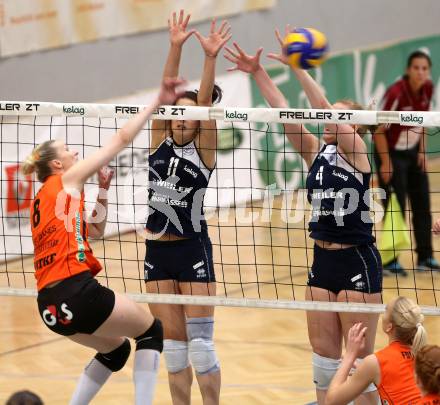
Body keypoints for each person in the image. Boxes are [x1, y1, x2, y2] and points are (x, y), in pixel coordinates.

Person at [225, 26, 382, 404]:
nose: (329, 122)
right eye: (332, 117)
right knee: (324, 361)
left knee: (359, 363)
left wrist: (298, 67)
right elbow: (286, 115)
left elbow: (323, 111)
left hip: (357, 260)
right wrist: (258, 72)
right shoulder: (318, 153)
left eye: (340, 118)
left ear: (355, 127)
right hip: (321, 261)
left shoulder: (358, 152)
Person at [21, 77, 185, 405]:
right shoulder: (66, 179)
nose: (75, 152)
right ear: (57, 164)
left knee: (116, 350)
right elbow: (122, 138)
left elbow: (93, 231)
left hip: (49, 305)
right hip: (77, 291)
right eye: (68, 150)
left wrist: (104, 191)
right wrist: (158, 101)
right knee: (151, 331)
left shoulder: (45, 198)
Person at [143, 10, 230, 405]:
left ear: (197, 122)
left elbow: (205, 108)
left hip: (192, 249)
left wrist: (209, 58)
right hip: (156, 253)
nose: (181, 119)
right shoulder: (158, 141)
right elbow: (166, 94)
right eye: (177, 113)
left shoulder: (204, 150)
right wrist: (175, 47)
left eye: (188, 114)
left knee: (201, 349)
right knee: (174, 353)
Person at [373, 50, 439, 276]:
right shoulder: (396, 93)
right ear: (408, 70)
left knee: (422, 204)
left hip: (412, 152)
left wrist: (422, 151)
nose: (421, 72)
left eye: (424, 68)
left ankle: (425, 257)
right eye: (416, 68)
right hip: (390, 153)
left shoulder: (428, 88)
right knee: (395, 207)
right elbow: (378, 129)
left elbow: (423, 121)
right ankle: (390, 260)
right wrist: (385, 162)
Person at [326, 296, 427, 405]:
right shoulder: (428, 356)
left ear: (389, 326)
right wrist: (367, 371)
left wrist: (349, 356)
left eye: (385, 310)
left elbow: (331, 402)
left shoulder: (375, 362)